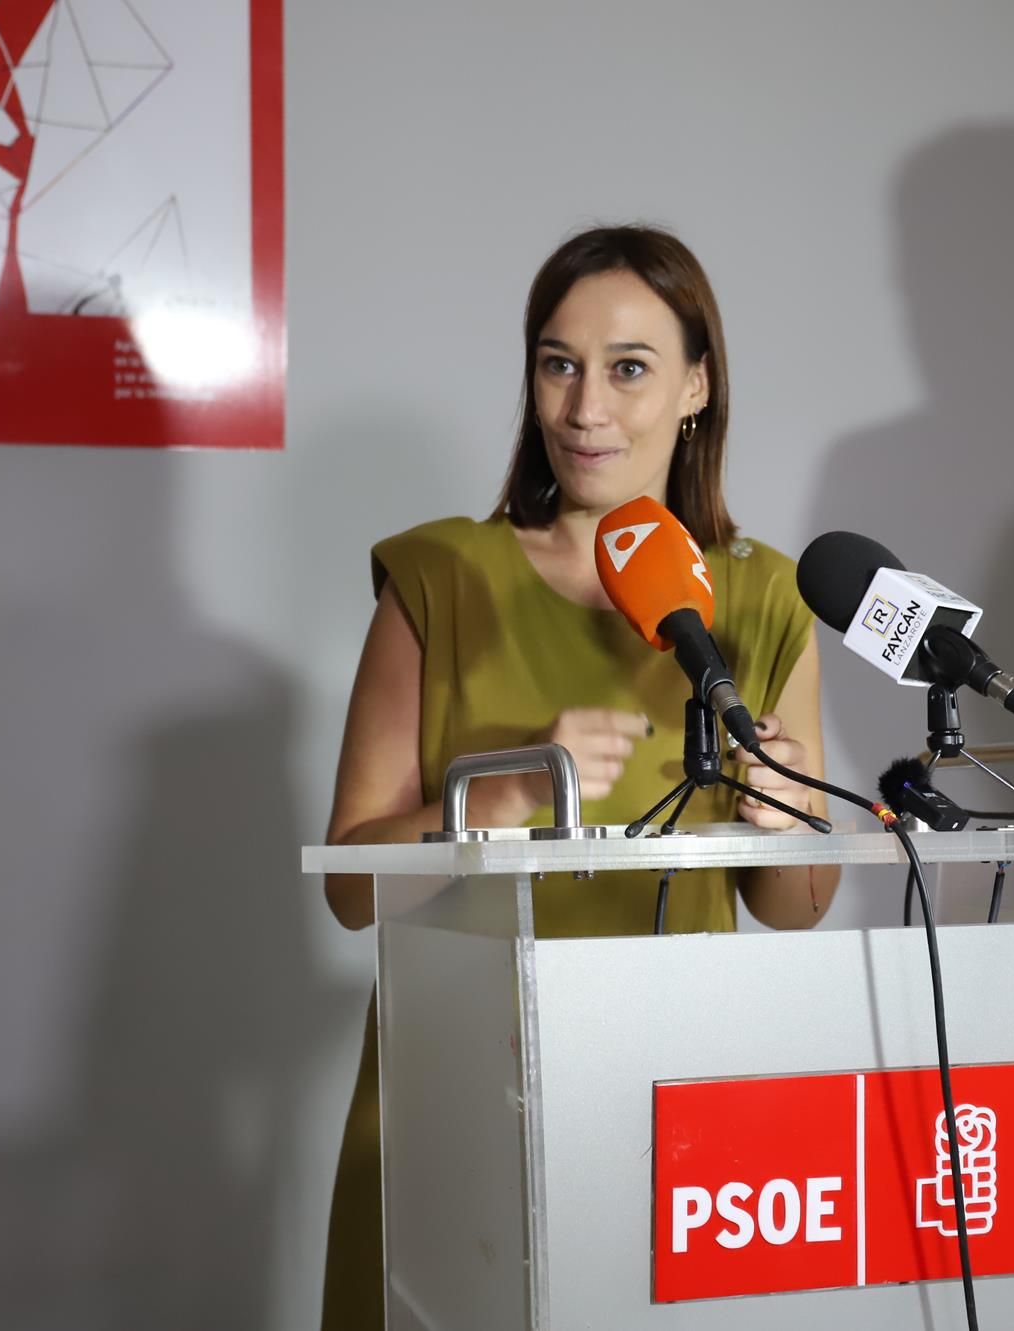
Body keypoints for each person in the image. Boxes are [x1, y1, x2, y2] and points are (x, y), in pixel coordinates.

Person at [318, 224, 841, 1328]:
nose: (584, 407)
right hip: (456, 1094)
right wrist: (502, 798)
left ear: (696, 385)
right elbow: (350, 887)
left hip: (671, 1108)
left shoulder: (762, 596)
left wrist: (793, 819)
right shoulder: (440, 575)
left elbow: (792, 907)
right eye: (558, 364)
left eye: (628, 368)